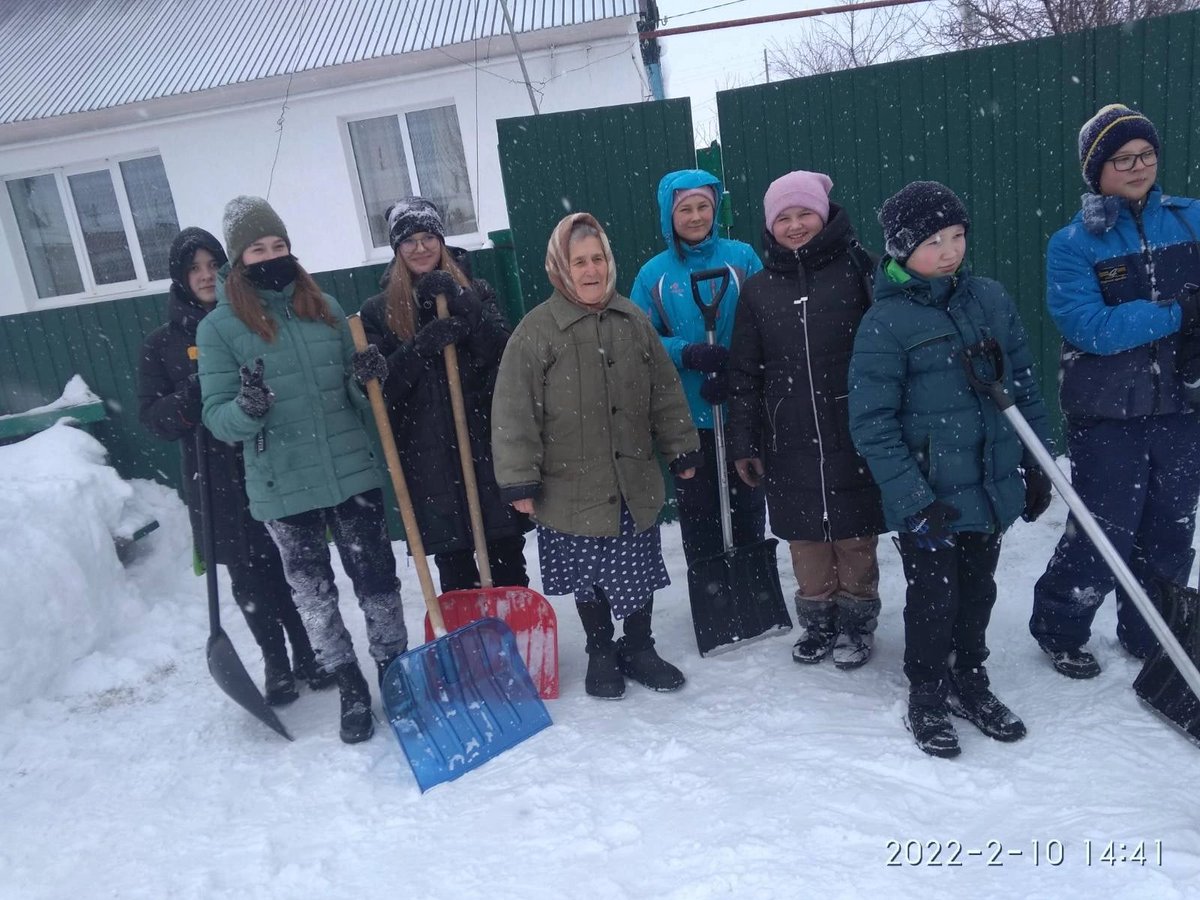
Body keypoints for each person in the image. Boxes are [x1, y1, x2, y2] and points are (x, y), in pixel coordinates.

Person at [848, 181, 1054, 758]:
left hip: (987, 486)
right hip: (930, 496)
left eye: (957, 236)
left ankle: (971, 679)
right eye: (934, 241)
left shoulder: (988, 298)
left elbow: (1022, 384)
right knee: (935, 598)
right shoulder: (885, 323)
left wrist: (1036, 460)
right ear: (900, 250)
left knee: (978, 591)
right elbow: (872, 423)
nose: (950, 250)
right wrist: (914, 499)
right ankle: (928, 693)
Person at [197, 196, 408, 744]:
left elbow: (358, 399)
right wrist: (248, 409)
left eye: (279, 246)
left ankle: (394, 672)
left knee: (377, 582)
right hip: (283, 483)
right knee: (314, 596)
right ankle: (351, 686)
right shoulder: (219, 329)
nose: (271, 256)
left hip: (349, 471)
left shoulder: (325, 308)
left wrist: (366, 381)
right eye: (258, 248)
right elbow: (217, 418)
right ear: (238, 259)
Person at [492, 213, 701, 700]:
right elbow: (513, 410)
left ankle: (639, 646)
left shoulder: (633, 320)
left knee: (637, 567)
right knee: (590, 576)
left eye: (598, 258)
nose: (591, 270)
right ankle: (601, 649)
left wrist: (681, 446)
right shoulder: (536, 331)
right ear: (560, 269)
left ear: (609, 260)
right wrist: (518, 479)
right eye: (578, 261)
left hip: (631, 478)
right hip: (570, 486)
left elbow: (665, 392)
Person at [1030, 104, 1200, 677]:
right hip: (1107, 412)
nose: (1137, 167)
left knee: (1171, 527)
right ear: (1096, 169)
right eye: (1122, 158)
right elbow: (1091, 329)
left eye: (1146, 155)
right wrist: (1178, 313)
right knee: (1103, 529)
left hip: (1183, 404)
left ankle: (1152, 628)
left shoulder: (1191, 220)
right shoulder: (1074, 244)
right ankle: (1060, 625)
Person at [139, 227, 335, 706]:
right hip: (214, 479)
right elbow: (154, 419)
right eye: (194, 268)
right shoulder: (161, 344)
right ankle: (276, 663)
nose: (206, 275)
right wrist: (194, 394)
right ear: (180, 277)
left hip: (267, 462)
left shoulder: (251, 320)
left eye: (212, 264)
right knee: (248, 578)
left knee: (289, 564)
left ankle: (309, 652)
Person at [727, 171, 886, 669]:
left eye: (805, 214)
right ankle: (818, 623)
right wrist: (743, 442)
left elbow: (886, 348)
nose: (795, 226)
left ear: (825, 215)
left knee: (856, 535)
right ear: (770, 226)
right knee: (805, 538)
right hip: (787, 436)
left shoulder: (859, 270)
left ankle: (857, 624)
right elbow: (745, 374)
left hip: (851, 429)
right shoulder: (757, 291)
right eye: (784, 217)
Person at [358, 198, 530, 592]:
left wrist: (464, 305)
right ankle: (470, 648)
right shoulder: (378, 312)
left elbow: (506, 357)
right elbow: (382, 393)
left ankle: (513, 646)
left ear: (441, 239)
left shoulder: (477, 291)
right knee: (456, 573)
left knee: (508, 564)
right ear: (396, 249)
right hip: (429, 461)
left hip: (485, 452)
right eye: (409, 240)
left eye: (428, 237)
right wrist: (419, 347)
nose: (420, 248)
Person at [630, 169, 766, 573]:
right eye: (684, 209)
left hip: (739, 409)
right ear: (669, 216)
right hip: (686, 413)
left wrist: (736, 368)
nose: (694, 216)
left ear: (715, 208)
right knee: (698, 506)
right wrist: (686, 353)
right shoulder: (653, 274)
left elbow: (765, 320)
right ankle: (712, 586)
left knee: (746, 497)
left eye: (703, 206)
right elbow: (639, 338)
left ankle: (749, 576)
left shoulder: (741, 258)